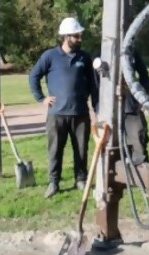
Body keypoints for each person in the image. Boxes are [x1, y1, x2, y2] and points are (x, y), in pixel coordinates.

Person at [29, 17, 99, 198]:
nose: (79, 39)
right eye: (76, 36)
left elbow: (93, 85)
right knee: (55, 150)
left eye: (80, 35)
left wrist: (96, 109)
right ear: (66, 37)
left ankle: (80, 179)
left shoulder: (84, 57)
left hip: (80, 113)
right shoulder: (49, 56)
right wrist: (41, 98)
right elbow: (34, 76)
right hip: (57, 114)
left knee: (81, 150)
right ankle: (54, 182)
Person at [122, 51, 149, 165]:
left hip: (131, 106)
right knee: (112, 144)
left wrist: (143, 97)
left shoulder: (132, 53)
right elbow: (95, 82)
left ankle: (143, 176)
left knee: (139, 140)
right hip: (110, 108)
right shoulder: (102, 53)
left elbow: (144, 75)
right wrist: (98, 105)